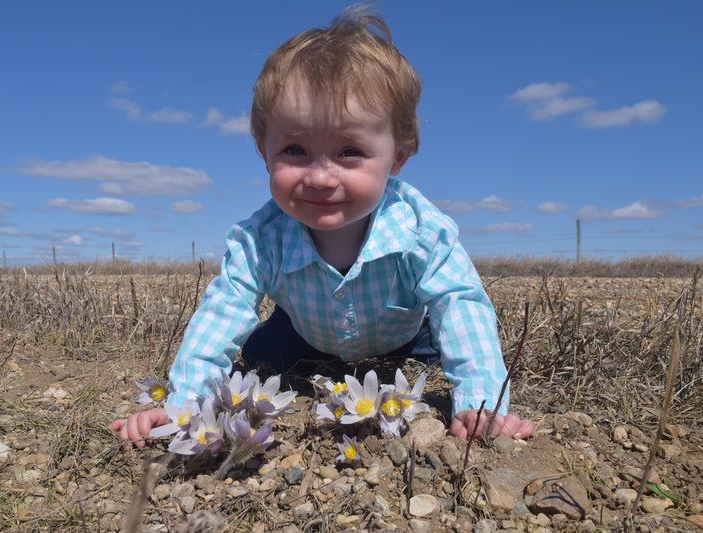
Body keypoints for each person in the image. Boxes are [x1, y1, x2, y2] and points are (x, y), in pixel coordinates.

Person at [111, 6, 533, 447]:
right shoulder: (261, 239)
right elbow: (223, 311)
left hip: (407, 336)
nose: (320, 176)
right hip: (304, 333)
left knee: (444, 343)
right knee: (257, 357)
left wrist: (481, 402)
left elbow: (459, 303)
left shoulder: (420, 230)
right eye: (295, 149)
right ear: (263, 150)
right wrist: (183, 404)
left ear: (398, 156)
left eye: (349, 151)